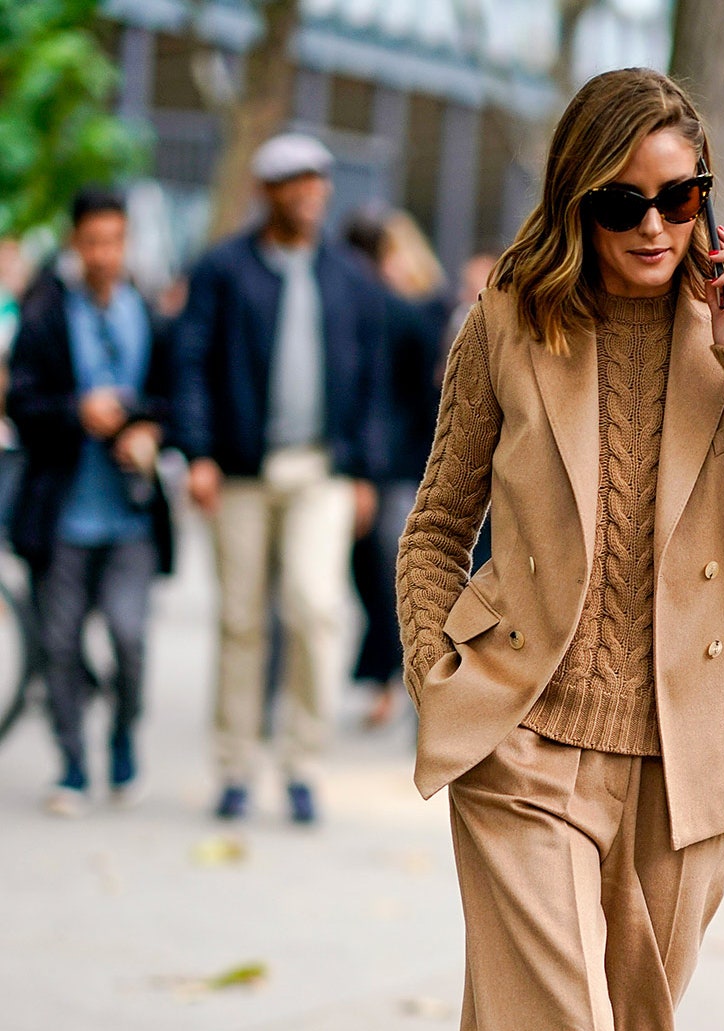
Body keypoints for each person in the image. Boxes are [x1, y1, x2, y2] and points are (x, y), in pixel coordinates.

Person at [395, 68, 724, 1031]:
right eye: (622, 202)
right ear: (576, 200)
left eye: (679, 197)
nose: (654, 225)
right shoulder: (506, 320)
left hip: (689, 758)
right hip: (524, 741)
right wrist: (440, 680)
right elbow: (436, 527)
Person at [173, 133, 388, 824]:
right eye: (294, 183)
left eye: (318, 182)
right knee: (240, 620)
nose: (309, 194)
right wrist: (198, 452)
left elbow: (368, 379)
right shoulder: (222, 270)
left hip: (320, 469)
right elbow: (191, 363)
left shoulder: (350, 277)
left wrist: (361, 471)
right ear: (268, 192)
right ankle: (235, 767)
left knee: (313, 609)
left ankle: (302, 764)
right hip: (238, 469)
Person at [6, 187, 174, 815]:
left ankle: (124, 735)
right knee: (60, 644)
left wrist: (146, 429)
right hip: (61, 515)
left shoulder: (151, 316)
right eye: (94, 242)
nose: (105, 254)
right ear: (77, 245)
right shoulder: (46, 314)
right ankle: (73, 764)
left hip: (129, 515)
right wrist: (76, 413)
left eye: (116, 241)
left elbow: (173, 398)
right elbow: (21, 403)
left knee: (130, 637)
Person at [342, 207, 451, 730]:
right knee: (372, 573)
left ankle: (406, 682)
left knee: (394, 569)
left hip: (406, 462)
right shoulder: (377, 307)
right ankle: (390, 678)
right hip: (380, 460)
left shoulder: (418, 306)